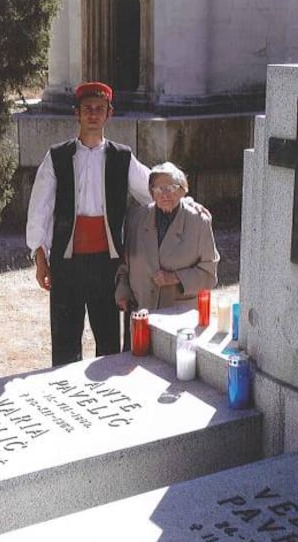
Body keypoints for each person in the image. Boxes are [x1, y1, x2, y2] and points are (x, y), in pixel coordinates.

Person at [27, 82, 209, 366]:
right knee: (65, 338)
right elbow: (40, 207)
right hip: (67, 261)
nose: (93, 114)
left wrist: (185, 200)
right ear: (77, 113)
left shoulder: (121, 157)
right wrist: (40, 257)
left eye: (100, 109)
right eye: (87, 109)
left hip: (106, 263)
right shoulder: (57, 157)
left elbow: (153, 187)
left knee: (108, 340)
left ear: (109, 114)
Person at [115, 161, 220, 312]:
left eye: (171, 188)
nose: (165, 194)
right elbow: (124, 265)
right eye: (158, 189)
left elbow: (209, 273)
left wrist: (176, 277)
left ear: (182, 191)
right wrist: (123, 292)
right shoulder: (136, 219)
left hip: (179, 315)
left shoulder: (198, 222)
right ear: (151, 192)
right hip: (141, 311)